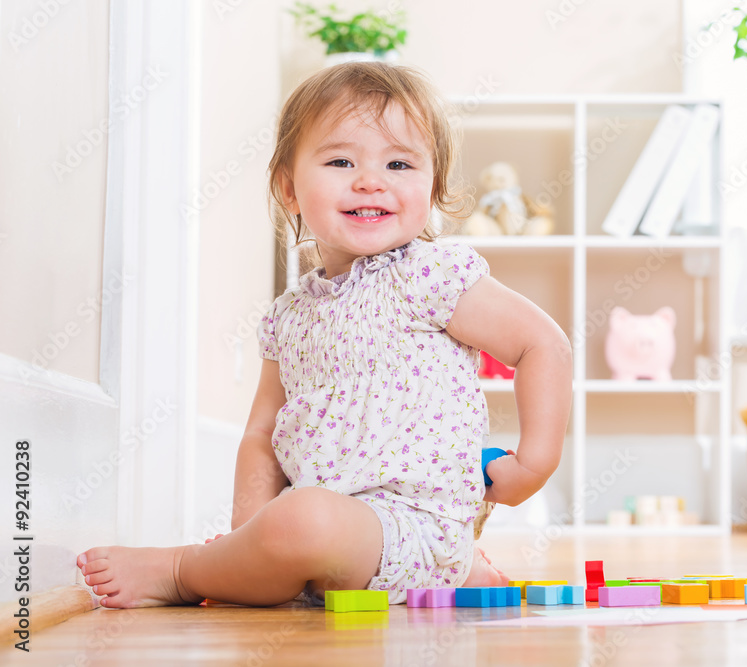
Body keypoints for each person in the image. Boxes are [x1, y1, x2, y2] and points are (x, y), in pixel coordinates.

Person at [76, 62, 572, 608]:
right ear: (289, 188)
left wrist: (533, 465)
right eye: (341, 161)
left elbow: (542, 344)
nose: (370, 180)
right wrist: (250, 534)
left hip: (412, 526)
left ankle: (181, 570)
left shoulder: (430, 275)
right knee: (299, 518)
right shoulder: (288, 317)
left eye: (399, 163)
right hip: (327, 533)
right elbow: (261, 436)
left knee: (304, 518)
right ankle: (285, 563)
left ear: (431, 187)